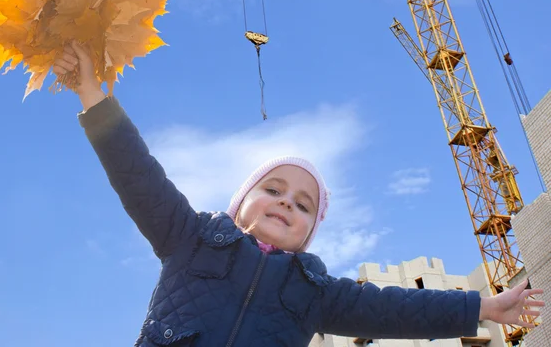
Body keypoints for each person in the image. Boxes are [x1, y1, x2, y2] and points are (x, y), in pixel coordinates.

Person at [54, 41, 545, 347]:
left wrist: (482, 307)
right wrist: (93, 96)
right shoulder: (189, 238)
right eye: (273, 189)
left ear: (310, 233)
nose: (288, 202)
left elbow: (395, 309)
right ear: (239, 203)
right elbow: (136, 173)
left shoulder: (316, 293)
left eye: (305, 205)